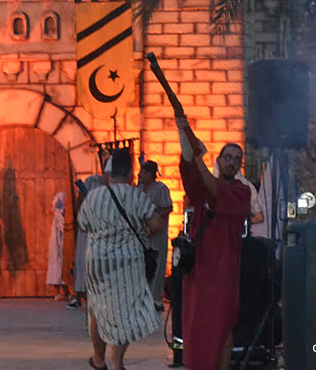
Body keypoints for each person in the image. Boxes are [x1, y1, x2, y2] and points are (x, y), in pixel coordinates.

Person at [78, 149, 165, 370]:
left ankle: (98, 359)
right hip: (128, 263)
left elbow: (83, 225)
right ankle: (116, 362)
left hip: (97, 263)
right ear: (130, 173)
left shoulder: (95, 195)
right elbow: (156, 224)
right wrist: (140, 232)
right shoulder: (136, 196)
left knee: (97, 311)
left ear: (108, 173)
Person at [177, 117, 252, 370]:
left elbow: (213, 187)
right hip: (199, 269)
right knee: (197, 325)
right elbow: (191, 176)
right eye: (227, 157)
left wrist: (198, 158)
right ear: (219, 161)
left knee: (221, 326)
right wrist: (187, 145)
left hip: (224, 273)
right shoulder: (205, 189)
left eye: (235, 159)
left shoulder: (242, 192)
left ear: (240, 166)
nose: (231, 162)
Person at [137, 160, 173, 312]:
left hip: (156, 235)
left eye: (143, 172)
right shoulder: (139, 189)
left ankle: (155, 299)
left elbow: (167, 207)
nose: (140, 175)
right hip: (142, 234)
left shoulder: (161, 189)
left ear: (151, 174)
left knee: (156, 265)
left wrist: (155, 221)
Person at [70, 174, 106, 310]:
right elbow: (79, 205)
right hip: (86, 229)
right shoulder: (91, 182)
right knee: (82, 260)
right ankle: (78, 295)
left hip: (99, 231)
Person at [47, 191, 70, 301]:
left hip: (61, 242)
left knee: (62, 264)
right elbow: (63, 226)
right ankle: (58, 291)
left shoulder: (61, 213)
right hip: (59, 242)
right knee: (57, 263)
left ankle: (66, 291)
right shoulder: (59, 214)